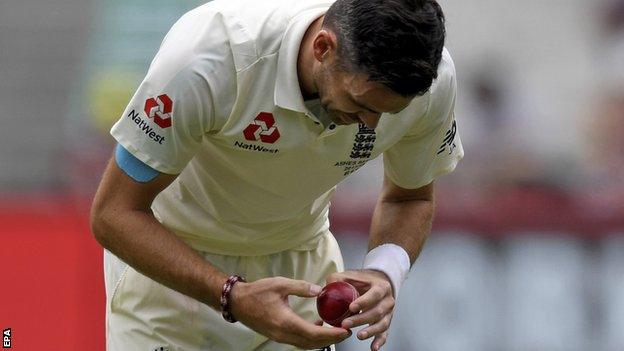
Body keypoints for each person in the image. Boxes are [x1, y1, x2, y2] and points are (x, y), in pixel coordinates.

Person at [90, 0, 462, 349]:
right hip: (171, 279)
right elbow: (114, 214)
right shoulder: (209, 58)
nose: (372, 124)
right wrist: (231, 294)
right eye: (360, 104)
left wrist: (385, 272)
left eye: (389, 113)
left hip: (301, 276)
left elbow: (410, 196)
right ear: (323, 49)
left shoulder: (431, 82)